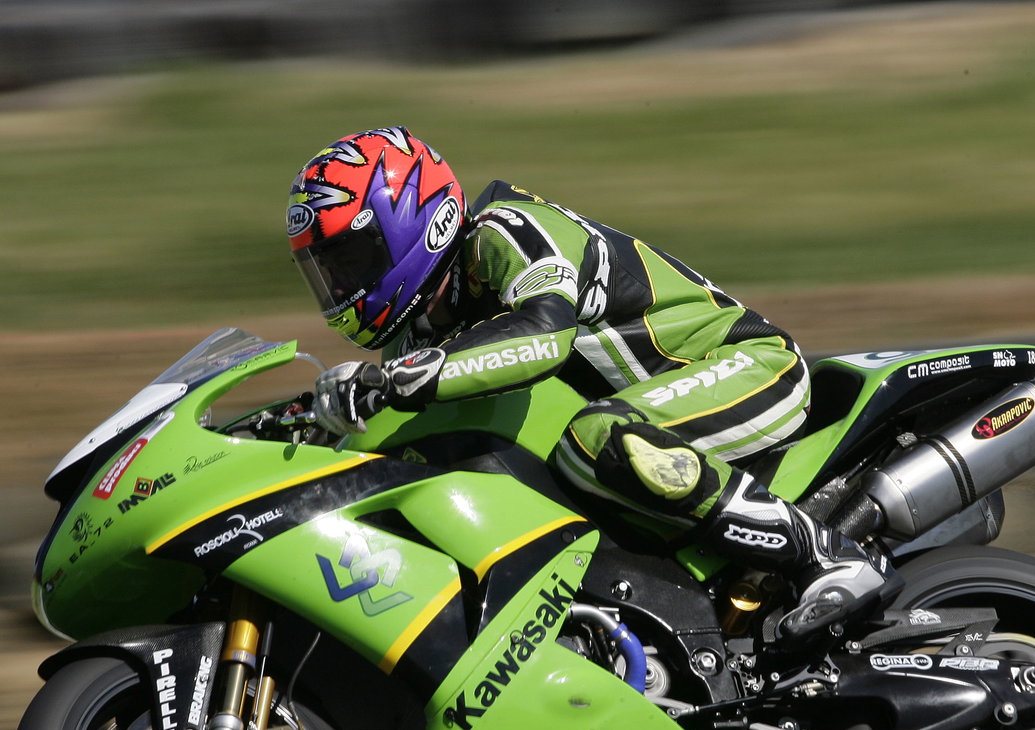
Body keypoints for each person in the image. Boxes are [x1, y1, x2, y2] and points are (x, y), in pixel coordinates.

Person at [287, 126, 896, 639]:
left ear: (416, 220)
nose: (340, 286)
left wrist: (395, 381)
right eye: (326, 271)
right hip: (656, 410)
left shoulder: (506, 232)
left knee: (597, 437)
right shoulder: (419, 331)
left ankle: (822, 552)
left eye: (350, 260)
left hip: (747, 366)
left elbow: (541, 334)